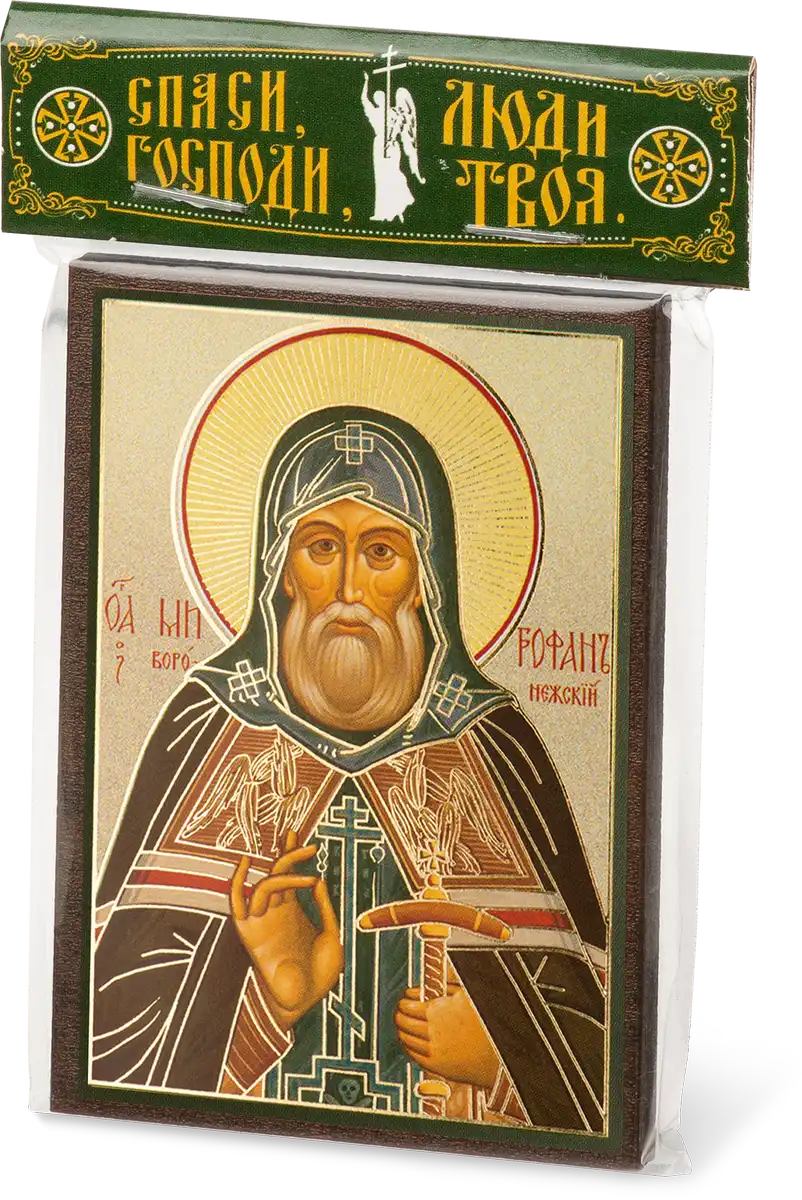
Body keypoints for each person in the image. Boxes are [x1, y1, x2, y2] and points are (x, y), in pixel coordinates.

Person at [92, 406, 607, 1131]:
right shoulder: (211, 730)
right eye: (322, 547)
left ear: (424, 579)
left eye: (381, 553)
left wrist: (498, 1059)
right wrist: (273, 1004)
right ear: (282, 570)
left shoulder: (489, 746)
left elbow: (599, 1051)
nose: (347, 590)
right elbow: (114, 1053)